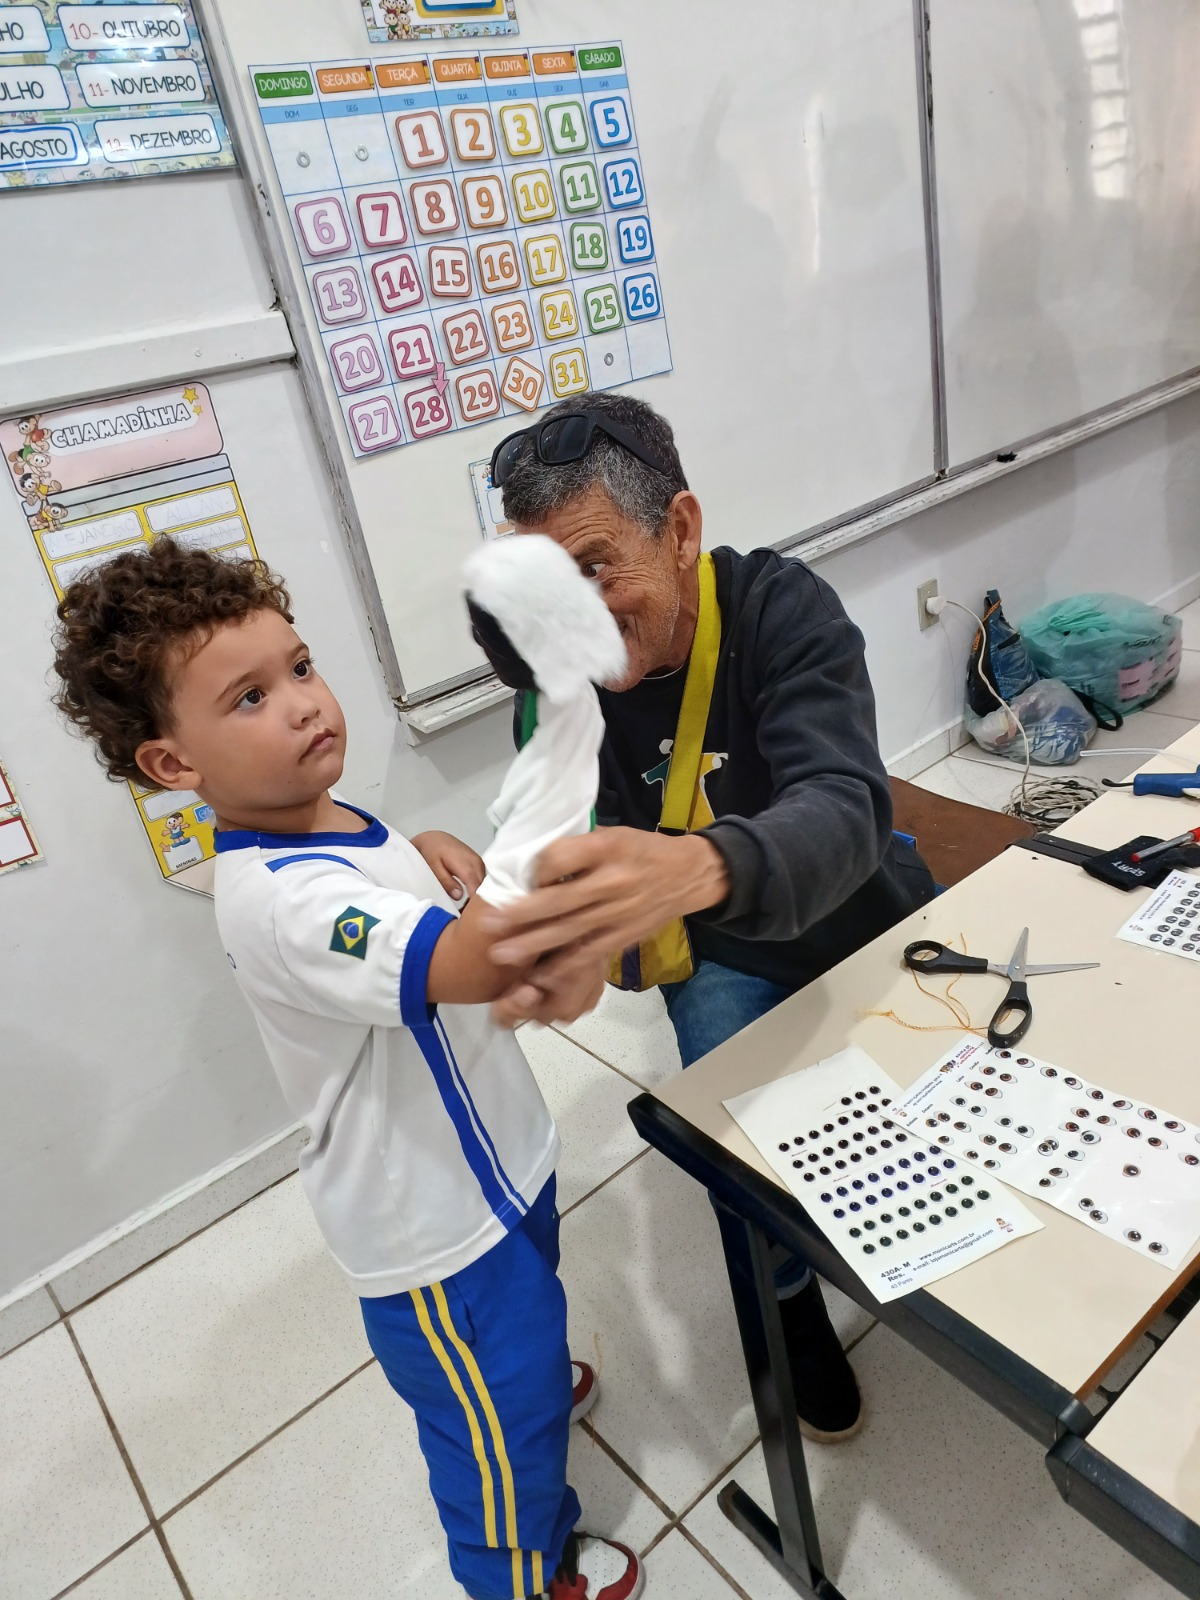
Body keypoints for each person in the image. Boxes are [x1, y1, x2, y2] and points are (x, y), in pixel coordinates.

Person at [49, 538, 643, 1600]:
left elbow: (377, 881)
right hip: (436, 1229)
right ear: (174, 766)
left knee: (527, 1331)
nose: (302, 704)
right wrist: (559, 792)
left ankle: (526, 1382)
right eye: (249, 698)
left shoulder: (320, 817)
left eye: (300, 666)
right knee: (493, 1437)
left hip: (495, 1162)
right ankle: (522, 1568)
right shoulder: (283, 904)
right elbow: (469, 961)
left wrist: (425, 850)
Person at [481, 393, 937, 1445]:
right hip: (726, 953)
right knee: (742, 1166)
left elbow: (846, 804)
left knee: (967, 1089)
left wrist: (693, 865)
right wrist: (557, 927)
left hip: (860, 903)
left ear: (680, 529)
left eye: (596, 570)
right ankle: (788, 1310)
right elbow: (559, 857)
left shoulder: (779, 608)